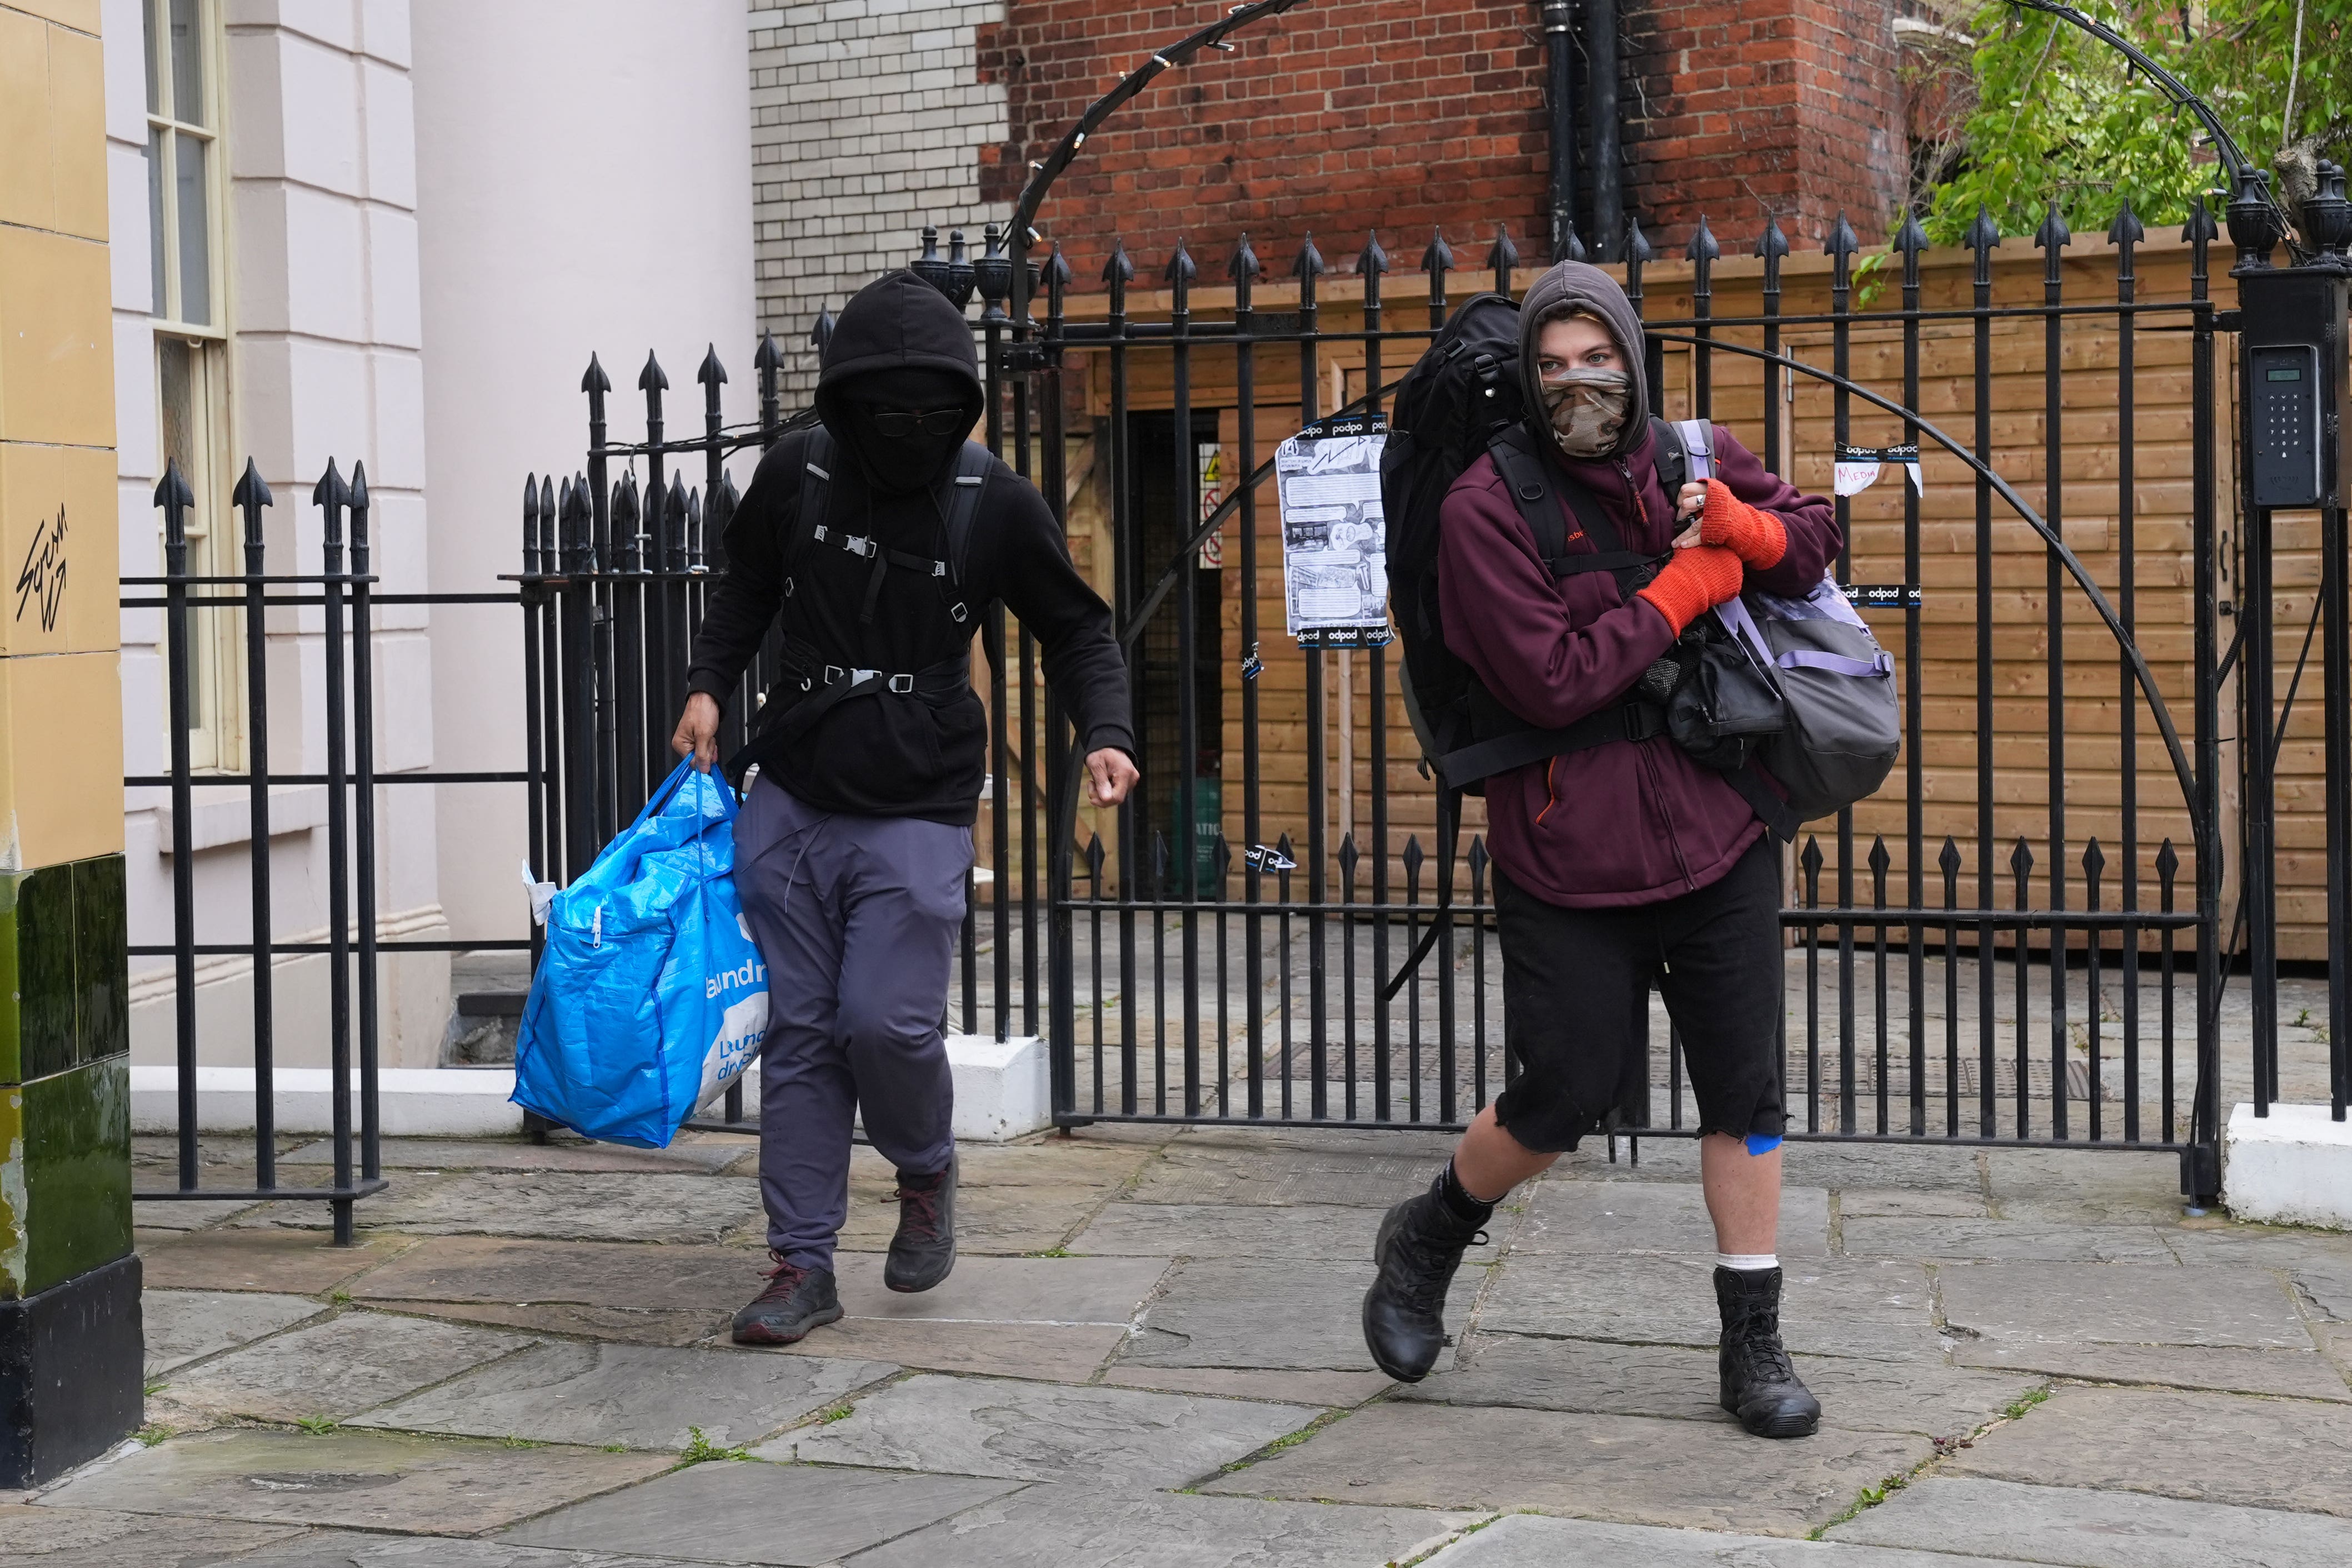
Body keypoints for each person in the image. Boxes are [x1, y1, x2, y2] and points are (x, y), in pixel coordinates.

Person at [1360, 259, 1840, 1438]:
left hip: (1718, 824)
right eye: (1555, 365)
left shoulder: (1689, 454)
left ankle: (1752, 1339)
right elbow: (1551, 677)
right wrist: (1683, 584)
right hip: (1562, 845)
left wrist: (1744, 526)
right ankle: (1427, 1235)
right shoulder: (1484, 507)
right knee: (1560, 1096)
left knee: (1746, 1090)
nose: (1582, 384)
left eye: (1599, 359)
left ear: (1633, 356)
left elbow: (1813, 542)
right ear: (1528, 380)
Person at [674, 269, 1138, 1345]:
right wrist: (706, 683)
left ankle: (924, 1170)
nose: (905, 429)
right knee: (800, 1031)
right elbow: (743, 584)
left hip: (920, 801)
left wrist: (1104, 732)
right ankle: (801, 1259)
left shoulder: (992, 500)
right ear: (844, 404)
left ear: (960, 404)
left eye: (929, 409)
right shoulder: (798, 474)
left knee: (881, 1021)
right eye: (883, 408)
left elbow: (1075, 629)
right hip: (790, 791)